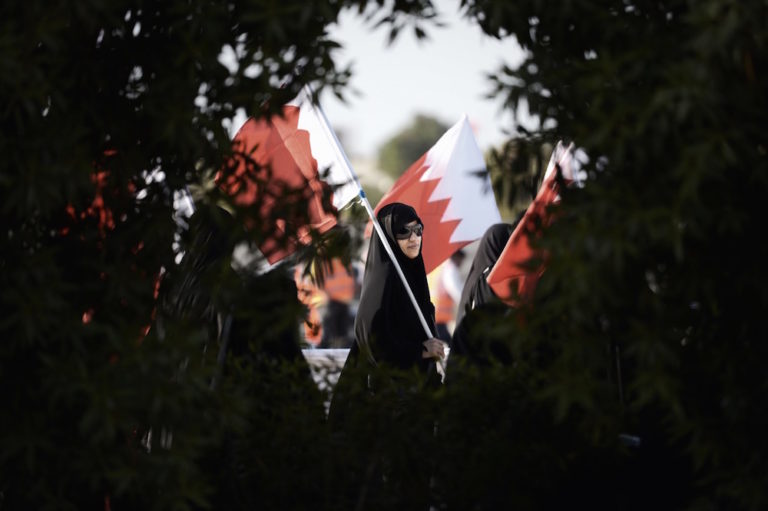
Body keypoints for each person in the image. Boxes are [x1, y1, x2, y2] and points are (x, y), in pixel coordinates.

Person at [328, 202, 445, 510]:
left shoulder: (415, 278)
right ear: (389, 238)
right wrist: (421, 350)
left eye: (418, 229)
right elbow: (372, 339)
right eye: (403, 232)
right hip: (386, 406)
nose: (413, 238)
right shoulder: (382, 283)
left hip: (416, 405)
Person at [428, 249, 466, 343]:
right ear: (456, 258)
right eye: (461, 261)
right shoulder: (450, 269)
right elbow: (458, 292)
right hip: (439, 316)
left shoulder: (439, 267)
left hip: (432, 314)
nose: (461, 264)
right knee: (450, 345)